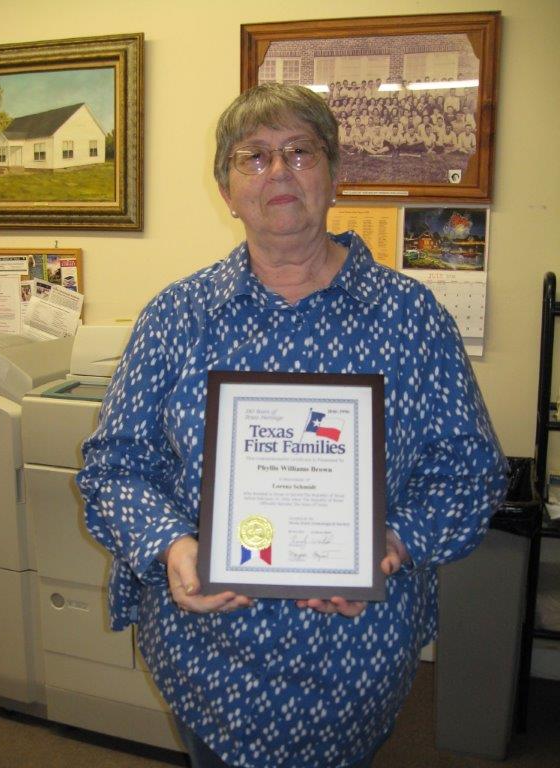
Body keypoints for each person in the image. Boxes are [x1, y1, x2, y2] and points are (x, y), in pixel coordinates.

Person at [77, 83, 508, 768]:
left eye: (300, 153)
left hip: (355, 652)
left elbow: (469, 471)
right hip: (208, 655)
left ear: (335, 175)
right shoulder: (176, 316)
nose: (278, 173)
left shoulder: (412, 317)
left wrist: (392, 541)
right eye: (254, 157)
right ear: (226, 188)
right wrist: (170, 547)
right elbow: (117, 464)